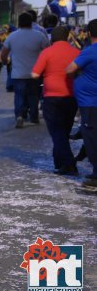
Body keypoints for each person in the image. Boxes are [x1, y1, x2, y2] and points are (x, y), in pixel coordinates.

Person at [31, 26, 80, 175]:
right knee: (64, 131)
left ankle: (69, 163)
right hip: (72, 96)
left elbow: (34, 74)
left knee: (56, 131)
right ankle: (59, 162)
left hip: (52, 96)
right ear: (67, 37)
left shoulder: (47, 52)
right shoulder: (76, 52)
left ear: (53, 38)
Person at [1, 12, 49, 128]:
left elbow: (4, 53)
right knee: (34, 96)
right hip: (35, 73)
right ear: (31, 22)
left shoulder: (12, 36)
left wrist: (4, 62)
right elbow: (48, 51)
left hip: (18, 73)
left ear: (19, 22)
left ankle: (19, 116)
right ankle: (34, 117)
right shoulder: (39, 35)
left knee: (19, 95)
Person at [66, 18, 97, 191]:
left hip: (91, 103)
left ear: (90, 33)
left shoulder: (90, 51)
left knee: (92, 138)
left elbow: (69, 69)